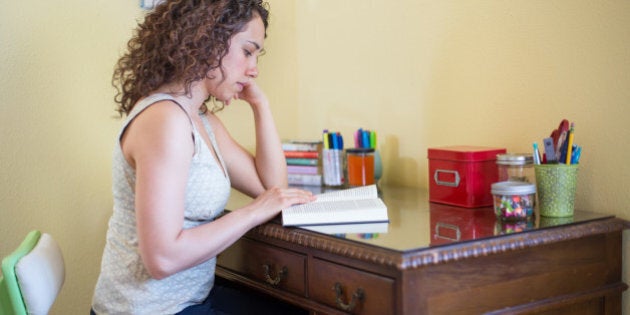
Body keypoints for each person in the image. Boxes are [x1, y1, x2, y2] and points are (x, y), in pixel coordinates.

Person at [91, 0, 315, 314]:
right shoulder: (165, 120)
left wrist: (260, 106)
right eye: (247, 51)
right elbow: (162, 259)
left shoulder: (200, 117)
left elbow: (273, 189)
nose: (254, 69)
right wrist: (252, 213)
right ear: (208, 39)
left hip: (188, 302)